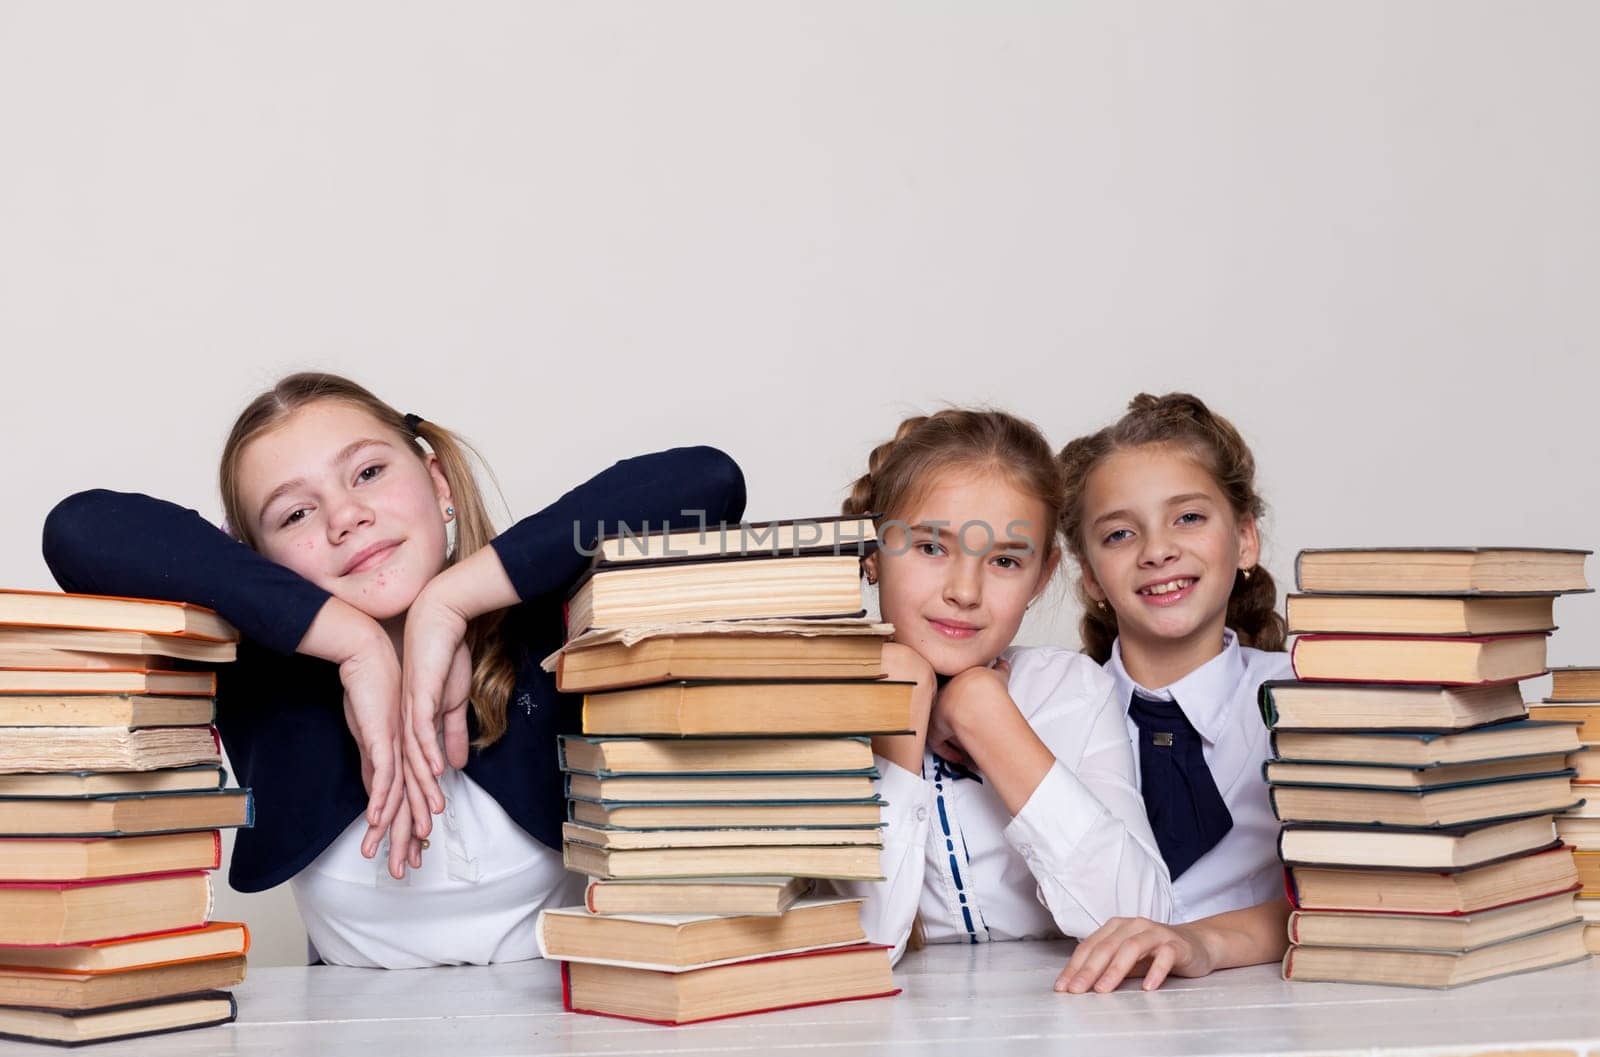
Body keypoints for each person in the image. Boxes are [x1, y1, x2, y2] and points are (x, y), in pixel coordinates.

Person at [42, 372, 745, 968]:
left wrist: (452, 599)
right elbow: (77, 531)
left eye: (369, 472)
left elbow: (710, 480)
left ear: (437, 480)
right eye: (294, 513)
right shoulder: (262, 677)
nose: (345, 516)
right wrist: (352, 642)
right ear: (251, 563)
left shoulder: (541, 628)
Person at [832, 408, 1171, 960]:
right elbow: (865, 948)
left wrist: (984, 715)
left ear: (1041, 575)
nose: (965, 591)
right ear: (873, 554)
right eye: (931, 548)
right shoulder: (806, 701)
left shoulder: (1071, 690)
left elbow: (1143, 923)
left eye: (1005, 561)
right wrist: (902, 714)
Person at [1053, 392, 1293, 993]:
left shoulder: (1307, 697)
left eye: (1188, 517)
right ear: (1090, 577)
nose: (1157, 550)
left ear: (1244, 540)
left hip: (1273, 1014)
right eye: (1119, 534)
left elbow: (1358, 890)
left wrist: (1202, 942)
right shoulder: (1046, 711)